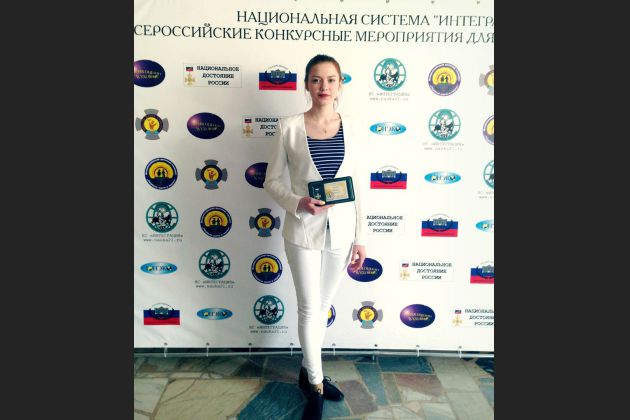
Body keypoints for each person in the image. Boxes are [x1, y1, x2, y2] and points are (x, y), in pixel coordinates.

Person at [263, 54, 367, 420]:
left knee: (322, 308)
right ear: (306, 85)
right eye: (316, 79)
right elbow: (271, 181)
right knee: (309, 308)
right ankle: (317, 385)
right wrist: (298, 202)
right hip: (302, 230)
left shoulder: (353, 127)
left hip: (342, 232)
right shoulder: (289, 127)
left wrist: (361, 237)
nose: (324, 86)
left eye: (331, 79)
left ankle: (308, 374)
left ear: (340, 85)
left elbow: (359, 187)